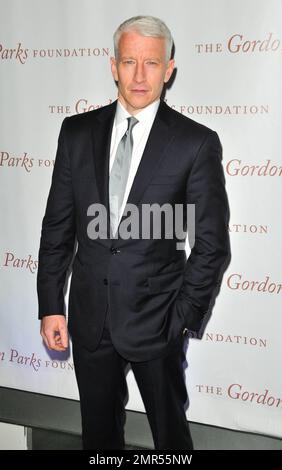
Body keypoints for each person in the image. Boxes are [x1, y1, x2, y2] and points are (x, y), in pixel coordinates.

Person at [37, 15, 230, 450]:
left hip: (158, 321)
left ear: (169, 69)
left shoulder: (195, 142)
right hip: (90, 320)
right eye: (129, 61)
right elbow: (58, 227)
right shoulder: (76, 132)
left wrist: (181, 318)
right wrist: (51, 304)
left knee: (170, 441)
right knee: (99, 441)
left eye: (151, 63)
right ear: (112, 66)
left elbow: (212, 245)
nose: (139, 75)